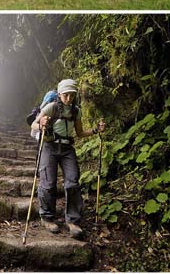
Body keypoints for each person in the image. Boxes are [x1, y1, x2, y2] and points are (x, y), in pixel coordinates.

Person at [31, 78, 105, 239]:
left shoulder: (76, 111)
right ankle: (47, 218)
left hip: (67, 149)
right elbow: (33, 126)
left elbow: (79, 133)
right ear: (59, 94)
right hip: (49, 147)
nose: (69, 98)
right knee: (48, 183)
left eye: (72, 95)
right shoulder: (51, 107)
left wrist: (95, 131)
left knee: (72, 181)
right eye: (66, 95)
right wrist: (41, 123)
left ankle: (73, 221)